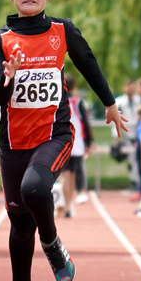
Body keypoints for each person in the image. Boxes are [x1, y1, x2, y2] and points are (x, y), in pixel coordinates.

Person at [0, 0, 128, 281]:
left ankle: (52, 244)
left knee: (35, 191)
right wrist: (9, 78)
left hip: (55, 137)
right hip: (13, 145)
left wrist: (110, 102)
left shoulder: (62, 31)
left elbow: (88, 62)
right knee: (18, 228)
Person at [60, 74, 94, 217]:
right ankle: (70, 204)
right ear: (74, 86)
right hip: (76, 143)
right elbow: (85, 123)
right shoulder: (78, 102)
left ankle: (67, 204)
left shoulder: (58, 101)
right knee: (73, 174)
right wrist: (90, 142)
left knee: (64, 175)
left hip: (61, 142)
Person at [113, 78, 141, 197]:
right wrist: (116, 135)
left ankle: (139, 182)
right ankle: (134, 181)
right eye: (127, 86)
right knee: (131, 160)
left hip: (139, 134)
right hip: (127, 134)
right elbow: (114, 118)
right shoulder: (120, 101)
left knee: (139, 159)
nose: (130, 89)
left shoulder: (139, 100)